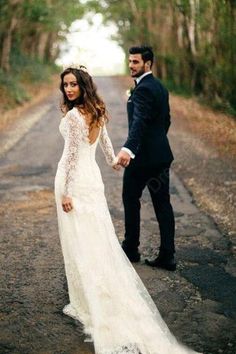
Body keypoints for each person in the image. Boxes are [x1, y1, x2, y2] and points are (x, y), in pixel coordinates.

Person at [54, 64, 201, 354]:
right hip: (92, 179)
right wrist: (112, 162)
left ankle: (86, 300)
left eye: (73, 84)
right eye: (65, 85)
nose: (68, 89)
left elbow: (71, 157)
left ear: (83, 85)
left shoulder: (73, 116)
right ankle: (95, 291)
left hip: (74, 183)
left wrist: (67, 192)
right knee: (95, 238)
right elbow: (106, 145)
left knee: (79, 240)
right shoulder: (96, 109)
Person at [117, 46, 176, 271]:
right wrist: (157, 143)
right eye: (130, 61)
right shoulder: (160, 87)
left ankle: (131, 249)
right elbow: (166, 121)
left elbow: (139, 122)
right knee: (163, 204)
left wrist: (129, 150)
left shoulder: (142, 90)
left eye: (135, 62)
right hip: (161, 157)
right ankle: (167, 256)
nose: (131, 65)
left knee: (130, 198)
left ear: (147, 64)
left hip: (141, 160)